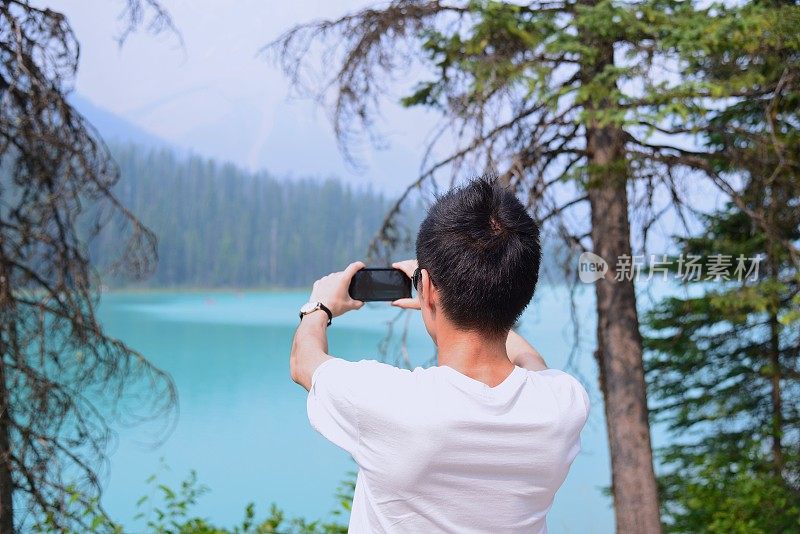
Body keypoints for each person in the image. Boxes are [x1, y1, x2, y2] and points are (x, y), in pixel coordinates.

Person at [290, 177, 589, 533]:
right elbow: (532, 364)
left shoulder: (389, 402)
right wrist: (456, 292)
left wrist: (319, 306)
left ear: (426, 288)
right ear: (524, 287)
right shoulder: (564, 404)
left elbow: (303, 361)